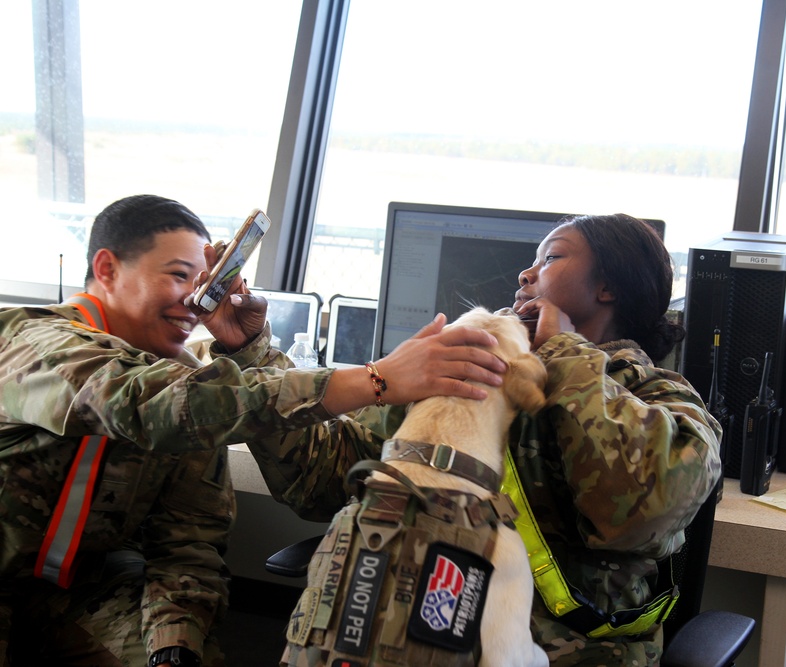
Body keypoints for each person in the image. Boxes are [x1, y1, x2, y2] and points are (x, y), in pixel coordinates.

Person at [0, 194, 508, 667]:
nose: (193, 305)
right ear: (107, 268)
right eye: (178, 277)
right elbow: (142, 402)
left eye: (205, 287)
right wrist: (375, 379)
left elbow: (188, 541)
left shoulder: (190, 385)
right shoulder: (31, 342)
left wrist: (173, 648)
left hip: (85, 589)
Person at [254, 213, 723, 665]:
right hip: (415, 640)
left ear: (609, 287)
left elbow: (637, 509)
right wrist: (253, 354)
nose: (526, 273)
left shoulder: (660, 395)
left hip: (568, 654)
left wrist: (563, 353)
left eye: (552, 258)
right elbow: (327, 478)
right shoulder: (472, 362)